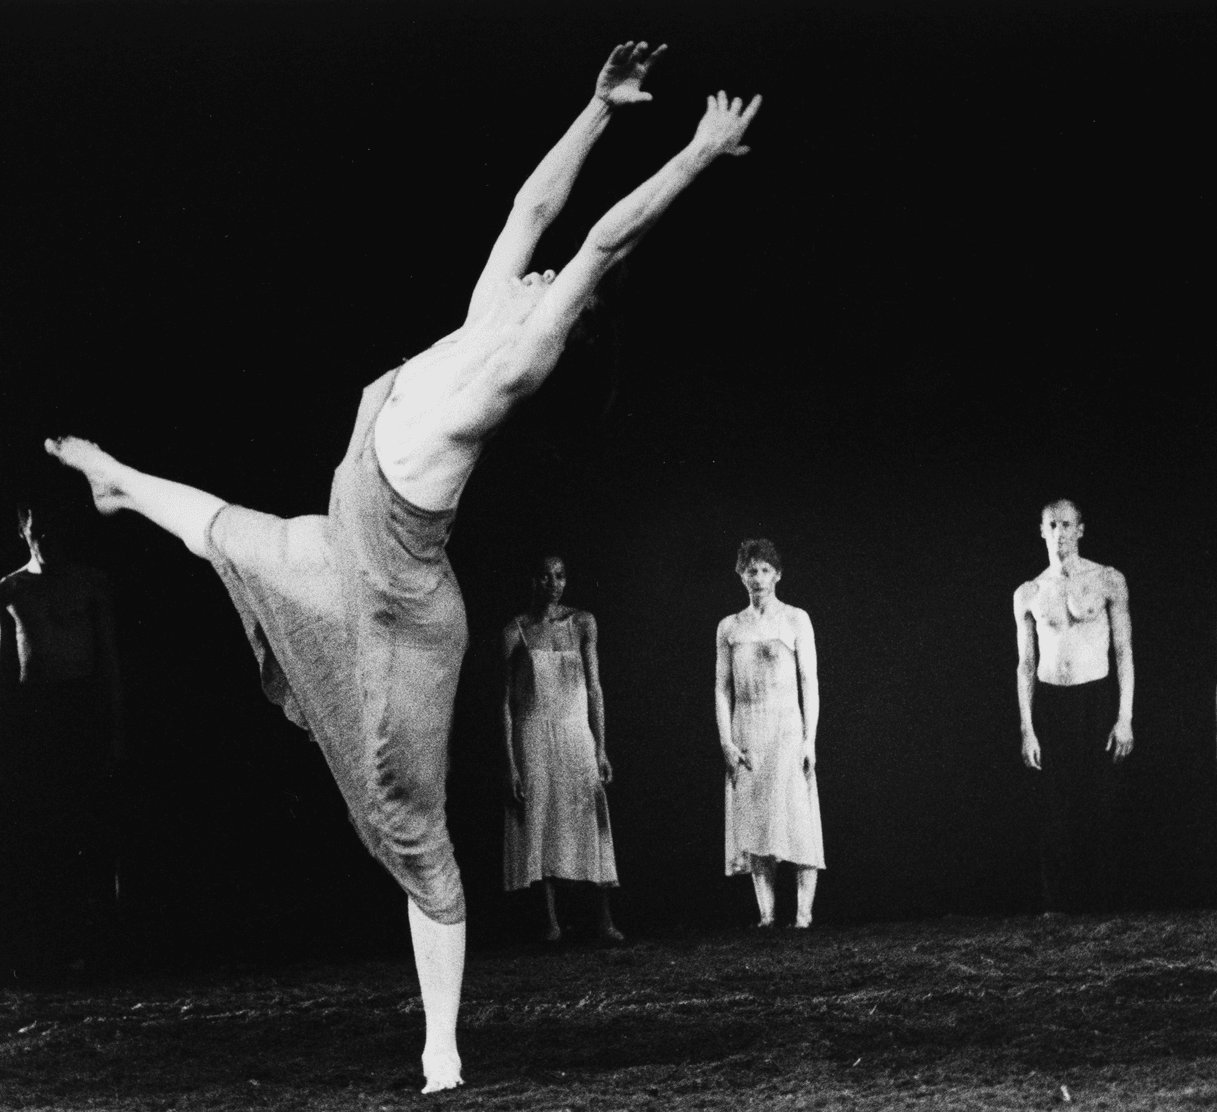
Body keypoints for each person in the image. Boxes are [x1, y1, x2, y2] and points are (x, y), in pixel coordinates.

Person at [46, 42, 760, 1092]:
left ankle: (441, 1050)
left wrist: (697, 152)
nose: (539, 264)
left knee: (413, 834)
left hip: (403, 605)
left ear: (564, 313)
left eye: (553, 281)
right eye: (540, 271)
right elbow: (532, 206)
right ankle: (118, 480)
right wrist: (598, 109)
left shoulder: (518, 351)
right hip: (347, 541)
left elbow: (606, 240)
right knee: (234, 534)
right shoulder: (488, 315)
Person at [0, 502, 124, 978]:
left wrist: (115, 727)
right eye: (38, 531)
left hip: (79, 712)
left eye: (56, 530)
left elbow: (109, 663)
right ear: (24, 532)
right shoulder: (9, 589)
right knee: (40, 834)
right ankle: (44, 948)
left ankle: (95, 948)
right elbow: (3, 670)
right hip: (33, 718)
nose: (48, 540)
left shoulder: (90, 583)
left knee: (88, 829)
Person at [1013, 499, 1134, 913]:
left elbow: (1124, 652)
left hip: (1095, 698)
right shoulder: (1029, 591)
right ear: (1042, 531)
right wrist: (1027, 728)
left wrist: (1124, 717)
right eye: (1052, 525)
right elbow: (1025, 664)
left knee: (1100, 802)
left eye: (1067, 524)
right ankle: (1057, 902)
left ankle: (1101, 899)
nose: (1060, 533)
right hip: (1052, 701)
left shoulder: (1108, 579)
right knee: (1053, 806)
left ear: (1081, 529)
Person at [502, 556, 622, 942]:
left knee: (590, 818)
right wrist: (511, 764)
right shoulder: (514, 631)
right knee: (540, 819)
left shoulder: (583, 622)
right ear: (532, 579)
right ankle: (551, 922)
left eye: (560, 575)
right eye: (545, 576)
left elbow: (594, 688)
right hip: (534, 732)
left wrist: (601, 747)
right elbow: (504, 702)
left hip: (575, 731)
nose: (554, 583)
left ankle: (604, 920)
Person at [715, 539, 824, 928]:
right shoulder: (729, 626)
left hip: (785, 728)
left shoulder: (796, 619)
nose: (756, 577)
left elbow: (809, 681)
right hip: (748, 729)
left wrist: (809, 739)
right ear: (740, 575)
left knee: (796, 818)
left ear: (776, 574)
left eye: (763, 570)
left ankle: (804, 915)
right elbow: (722, 687)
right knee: (757, 821)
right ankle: (766, 915)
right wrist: (726, 740)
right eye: (750, 570)